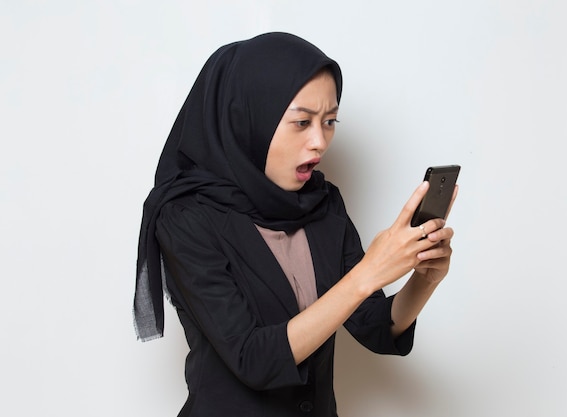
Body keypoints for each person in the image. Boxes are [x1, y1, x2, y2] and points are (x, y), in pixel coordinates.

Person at [133, 32, 457, 417]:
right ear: (249, 117)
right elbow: (252, 358)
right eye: (302, 122)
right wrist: (368, 272)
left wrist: (424, 278)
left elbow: (373, 325)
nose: (320, 141)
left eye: (330, 121)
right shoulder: (187, 216)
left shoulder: (323, 204)